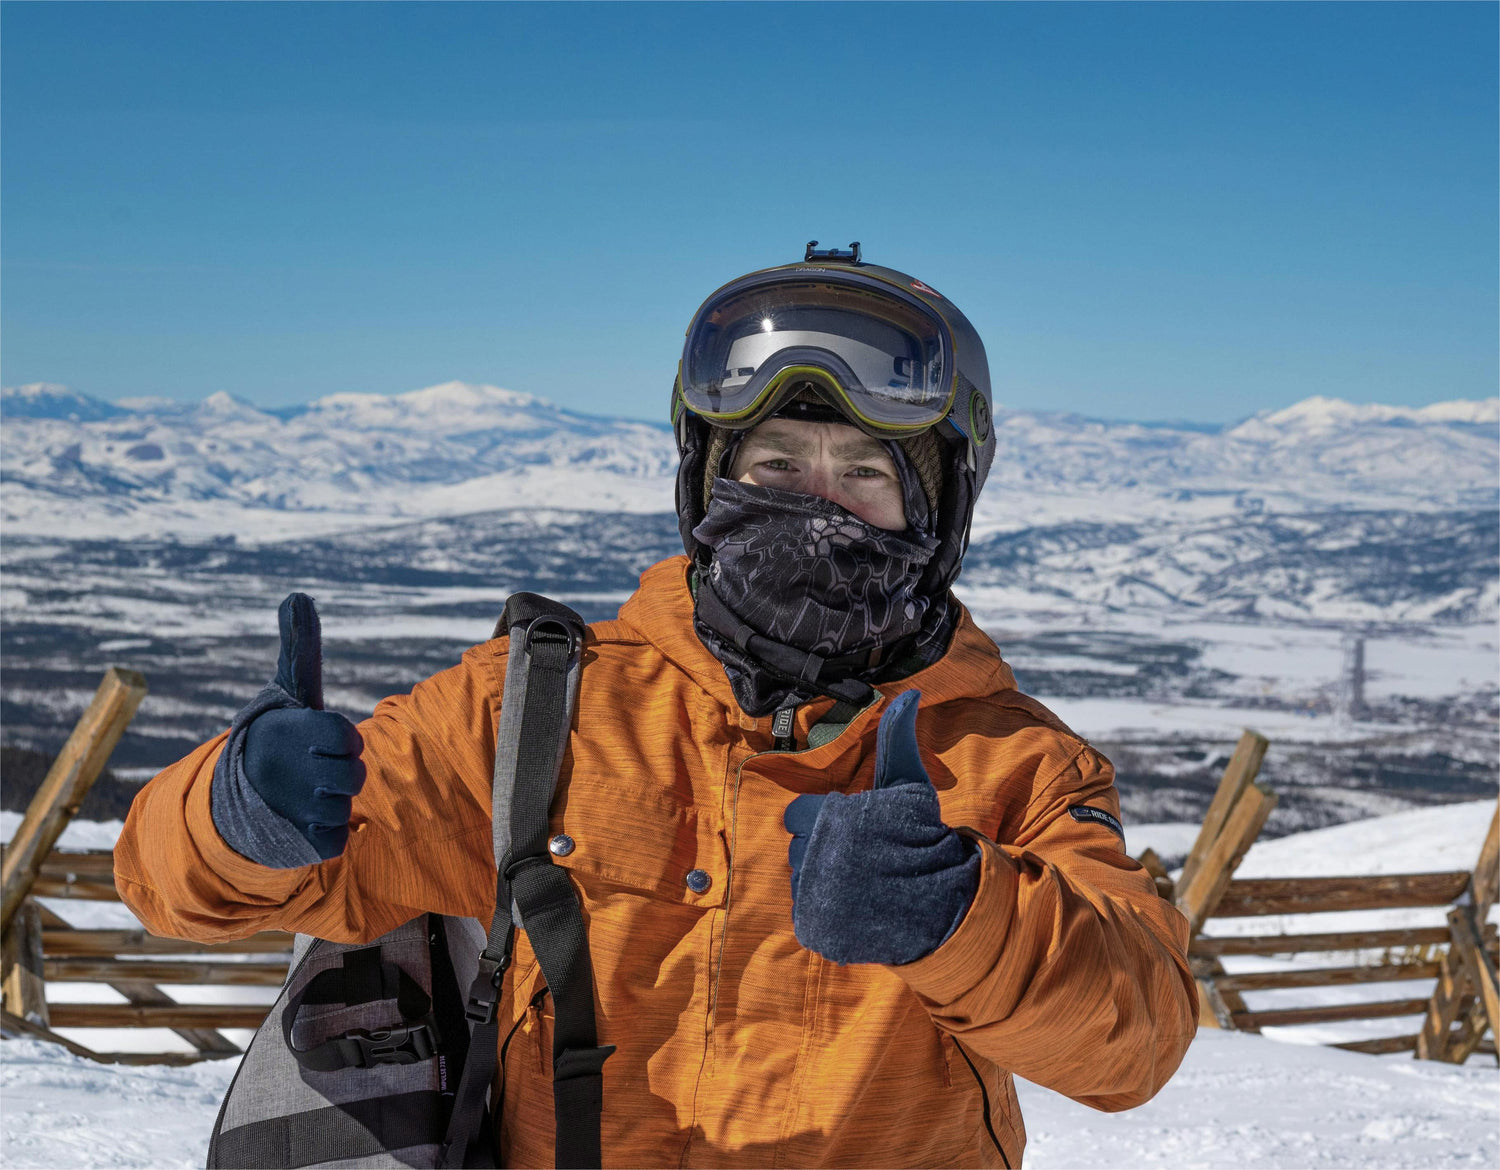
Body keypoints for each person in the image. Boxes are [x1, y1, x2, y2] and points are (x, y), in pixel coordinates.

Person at [115, 244, 1197, 1168]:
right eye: (775, 466)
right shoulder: (539, 709)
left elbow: (1134, 1044)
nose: (814, 509)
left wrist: (963, 918)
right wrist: (229, 814)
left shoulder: (1020, 765)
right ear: (706, 481)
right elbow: (171, 887)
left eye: (863, 474)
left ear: (941, 505)